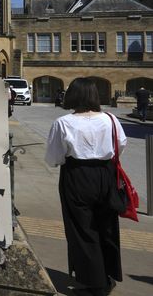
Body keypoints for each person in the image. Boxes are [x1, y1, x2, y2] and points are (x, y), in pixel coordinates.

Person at [45, 78, 127, 296]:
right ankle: (108, 275)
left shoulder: (64, 122)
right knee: (107, 227)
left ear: (73, 95)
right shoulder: (110, 119)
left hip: (77, 175)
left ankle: (95, 284)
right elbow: (121, 144)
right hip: (105, 174)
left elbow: (53, 158)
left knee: (83, 229)